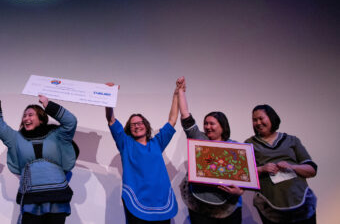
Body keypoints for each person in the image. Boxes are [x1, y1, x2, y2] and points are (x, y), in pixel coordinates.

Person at [0, 86, 78, 224]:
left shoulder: (56, 134)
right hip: (31, 197)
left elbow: (71, 121)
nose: (26, 118)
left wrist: (49, 105)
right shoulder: (16, 138)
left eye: (30, 114)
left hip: (57, 196)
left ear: (41, 119)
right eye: (24, 115)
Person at [104, 81, 178, 224]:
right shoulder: (125, 144)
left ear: (146, 125)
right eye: (133, 124)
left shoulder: (157, 143)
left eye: (140, 122)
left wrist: (176, 94)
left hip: (161, 199)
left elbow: (172, 120)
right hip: (135, 199)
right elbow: (111, 119)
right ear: (129, 128)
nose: (137, 126)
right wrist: (109, 95)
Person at [176, 77, 243, 224]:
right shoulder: (199, 138)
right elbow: (185, 114)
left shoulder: (234, 147)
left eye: (212, 123)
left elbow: (243, 176)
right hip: (199, 205)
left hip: (227, 207)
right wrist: (181, 91)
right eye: (205, 123)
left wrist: (240, 191)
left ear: (223, 126)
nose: (207, 126)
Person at [245, 104, 317, 224]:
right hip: (270, 206)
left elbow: (312, 169)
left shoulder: (292, 140)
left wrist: (292, 166)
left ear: (271, 118)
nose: (258, 123)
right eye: (254, 120)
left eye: (261, 118)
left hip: (301, 203)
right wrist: (262, 168)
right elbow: (244, 174)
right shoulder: (249, 144)